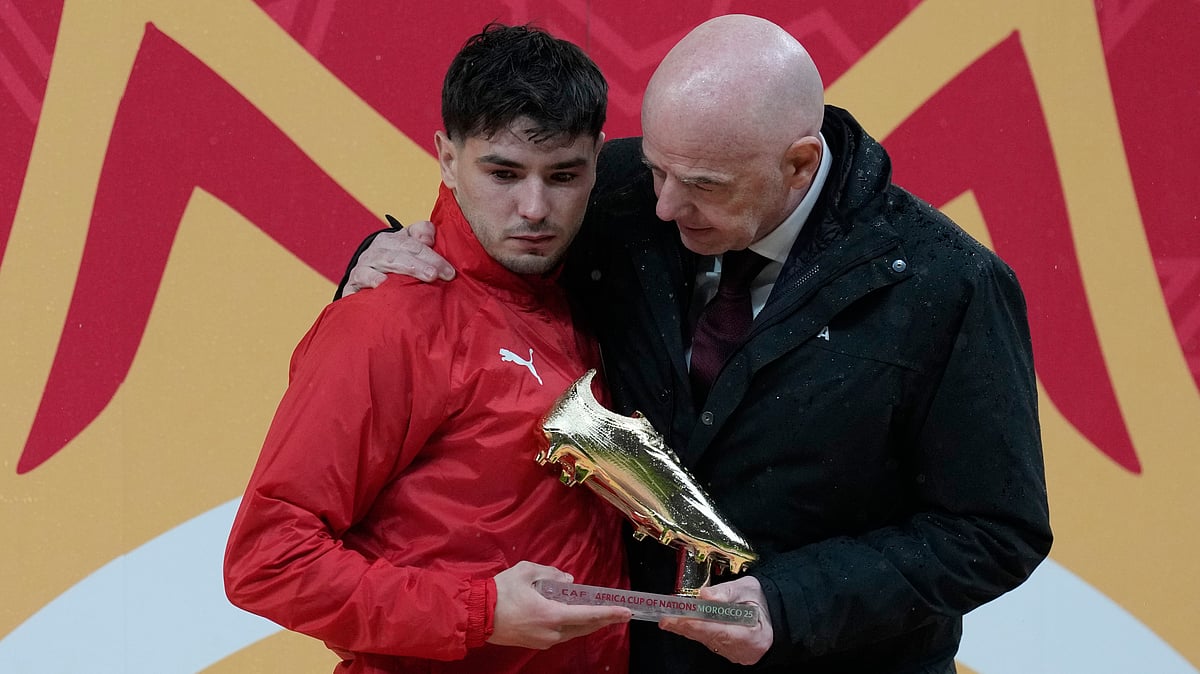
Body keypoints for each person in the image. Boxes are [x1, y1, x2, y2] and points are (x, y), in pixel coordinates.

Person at [341, 14, 1052, 674]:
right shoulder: (622, 190)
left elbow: (995, 531)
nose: (665, 206)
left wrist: (790, 602)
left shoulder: (950, 286)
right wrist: (378, 256)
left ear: (800, 164)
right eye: (655, 168)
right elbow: (488, 238)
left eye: (705, 186)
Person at [223, 24, 633, 674]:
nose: (534, 207)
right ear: (445, 156)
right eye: (502, 172)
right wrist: (480, 611)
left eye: (563, 175)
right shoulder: (388, 320)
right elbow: (268, 560)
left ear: (598, 162)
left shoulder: (596, 291)